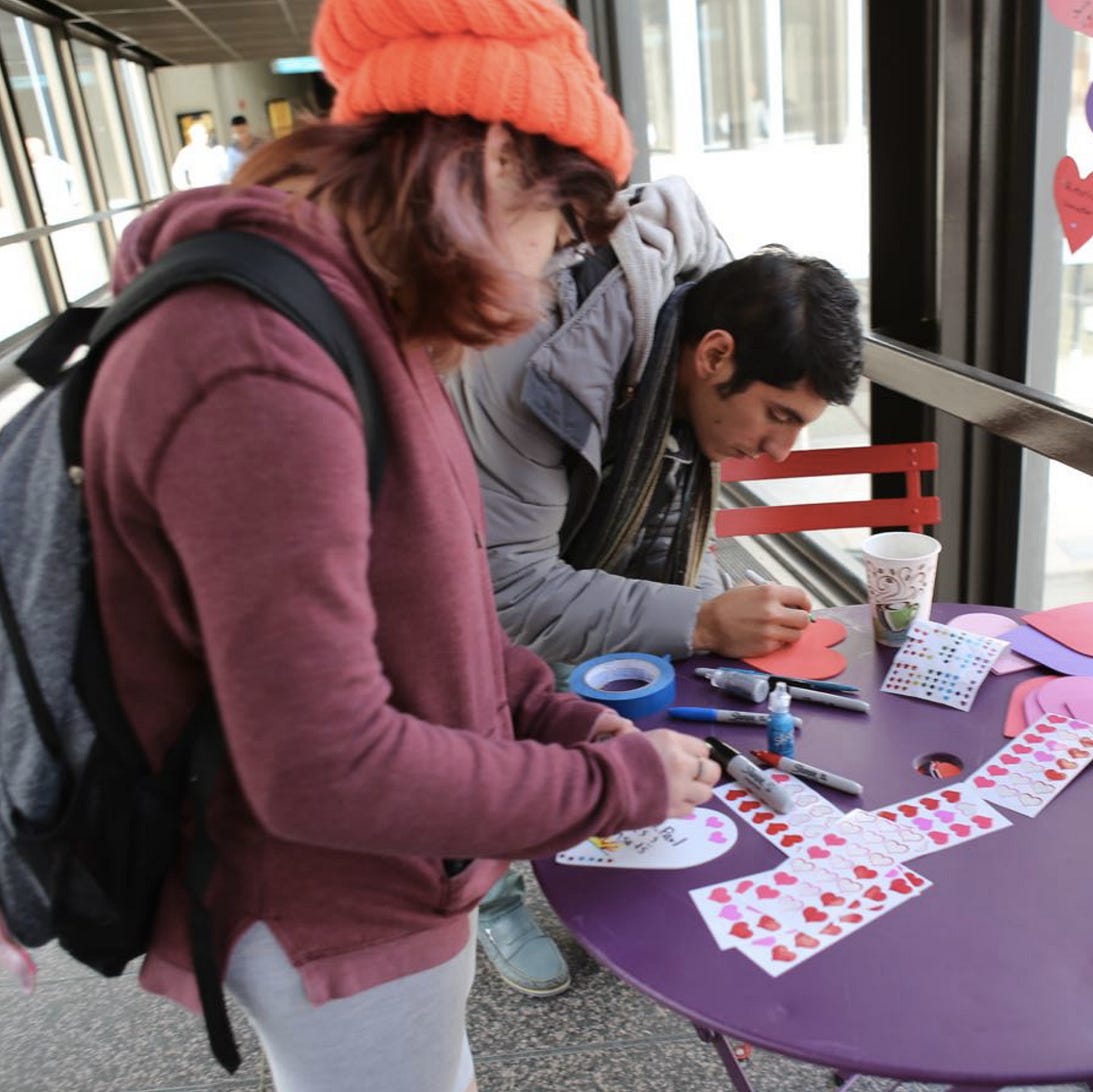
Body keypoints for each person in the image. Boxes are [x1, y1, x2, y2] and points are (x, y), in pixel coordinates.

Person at [82, 1, 718, 1089]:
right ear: (498, 152)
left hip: (396, 870)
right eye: (557, 242)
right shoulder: (259, 358)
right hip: (331, 898)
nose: (533, 297)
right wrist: (613, 785)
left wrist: (557, 713)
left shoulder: (359, 321)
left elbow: (435, 617)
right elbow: (322, 767)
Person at [447, 184, 863, 996]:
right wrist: (702, 620)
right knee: (476, 704)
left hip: (540, 538)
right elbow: (507, 591)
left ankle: (585, 836)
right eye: (779, 415)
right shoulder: (529, 362)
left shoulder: (698, 318)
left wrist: (706, 606)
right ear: (714, 357)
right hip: (450, 555)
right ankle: (488, 896)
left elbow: (680, 493)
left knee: (583, 691)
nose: (780, 450)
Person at [23, 137, 81, 222]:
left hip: (60, 212)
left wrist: (75, 200)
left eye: (30, 149)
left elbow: (76, 177)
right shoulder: (24, 169)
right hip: (39, 214)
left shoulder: (54, 163)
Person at [169, 120, 227, 189]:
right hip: (200, 191)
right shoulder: (187, 153)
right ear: (193, 136)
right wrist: (186, 189)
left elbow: (226, 170)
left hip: (219, 189)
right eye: (201, 134)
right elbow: (177, 173)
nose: (205, 136)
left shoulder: (217, 149)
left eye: (206, 133)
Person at [223, 113, 266, 180]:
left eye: (242, 131)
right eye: (238, 132)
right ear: (233, 131)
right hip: (243, 183)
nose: (241, 135)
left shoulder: (261, 144)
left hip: (261, 180)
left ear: (248, 127)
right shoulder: (232, 150)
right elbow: (232, 173)